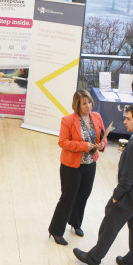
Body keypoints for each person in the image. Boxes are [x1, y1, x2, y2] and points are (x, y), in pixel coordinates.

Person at [74, 103, 133, 265]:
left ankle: (94, 257)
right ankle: (130, 262)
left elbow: (129, 177)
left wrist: (117, 195)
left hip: (130, 195)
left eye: (128, 119)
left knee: (110, 222)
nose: (124, 122)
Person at [47, 89, 107, 245]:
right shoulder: (67, 120)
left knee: (83, 196)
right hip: (71, 166)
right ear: (77, 105)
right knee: (68, 198)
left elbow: (102, 136)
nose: (88, 106)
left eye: (89, 102)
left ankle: (75, 223)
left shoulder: (97, 117)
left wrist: (102, 145)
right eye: (84, 103)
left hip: (90, 164)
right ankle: (56, 230)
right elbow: (63, 142)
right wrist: (83, 146)